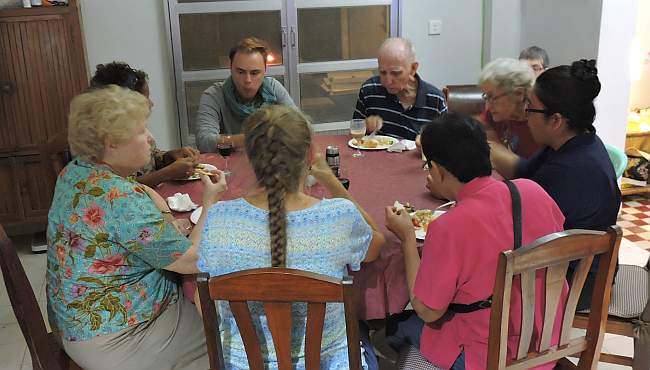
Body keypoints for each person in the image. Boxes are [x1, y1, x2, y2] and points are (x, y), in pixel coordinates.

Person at [197, 105, 386, 369]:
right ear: (310, 154)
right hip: (329, 362)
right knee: (363, 327)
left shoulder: (219, 218)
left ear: (250, 155)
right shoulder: (339, 216)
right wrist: (330, 180)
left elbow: (202, 294)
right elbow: (376, 244)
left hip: (242, 364)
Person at [46, 85, 218, 370]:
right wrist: (210, 203)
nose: (151, 139)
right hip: (119, 336)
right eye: (142, 131)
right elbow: (194, 261)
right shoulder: (120, 197)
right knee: (230, 334)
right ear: (112, 142)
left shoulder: (76, 170)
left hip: (77, 323)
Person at [383, 113, 567, 370]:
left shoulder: (448, 227)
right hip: (546, 339)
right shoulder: (533, 191)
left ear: (437, 170)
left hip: (487, 356)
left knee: (396, 325)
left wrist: (407, 239)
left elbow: (428, 310)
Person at [490, 59, 622, 310]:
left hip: (578, 280)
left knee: (473, 279)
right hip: (571, 262)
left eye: (531, 109)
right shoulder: (573, 142)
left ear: (556, 120)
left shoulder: (569, 171)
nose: (526, 117)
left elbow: (517, 227)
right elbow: (524, 172)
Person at [90, 61, 200, 187]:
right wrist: (166, 173)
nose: (151, 104)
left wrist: (168, 157)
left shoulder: (132, 128)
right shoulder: (104, 148)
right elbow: (123, 187)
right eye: (145, 99)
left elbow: (150, 159)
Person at [195, 37, 296, 152]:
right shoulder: (214, 95)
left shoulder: (273, 88)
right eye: (240, 72)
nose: (247, 80)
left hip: (269, 163)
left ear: (265, 70)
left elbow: (300, 128)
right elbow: (204, 141)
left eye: (254, 73)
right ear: (231, 69)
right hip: (226, 167)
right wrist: (255, 138)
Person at [353, 37, 447, 141]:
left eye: (396, 73)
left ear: (413, 69)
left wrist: (427, 145)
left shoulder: (435, 99)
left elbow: (445, 145)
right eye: (382, 72)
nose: (388, 81)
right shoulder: (369, 90)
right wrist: (365, 126)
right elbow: (354, 135)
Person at [478, 58, 542, 158]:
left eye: (492, 97)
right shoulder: (494, 115)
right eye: (486, 96)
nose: (489, 105)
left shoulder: (539, 127)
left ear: (519, 93)